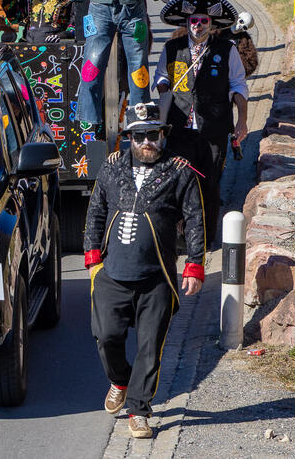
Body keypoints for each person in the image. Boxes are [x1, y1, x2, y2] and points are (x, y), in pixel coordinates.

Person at [84, 101, 205, 440]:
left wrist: (194, 264)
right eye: (139, 136)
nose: (146, 142)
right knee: (105, 335)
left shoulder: (179, 171)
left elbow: (195, 217)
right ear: (129, 139)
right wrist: (93, 257)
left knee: (150, 346)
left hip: (157, 277)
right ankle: (119, 380)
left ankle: (138, 410)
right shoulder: (111, 169)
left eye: (153, 135)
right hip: (112, 273)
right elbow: (95, 211)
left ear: (162, 136)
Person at [155, 0, 248, 244]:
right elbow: (161, 78)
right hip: (179, 128)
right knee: (178, 181)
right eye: (194, 20)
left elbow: (239, 86)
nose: (198, 25)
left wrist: (242, 121)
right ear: (187, 23)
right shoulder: (172, 48)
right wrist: (165, 97)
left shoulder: (226, 50)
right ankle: (179, 233)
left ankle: (204, 237)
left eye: (204, 21)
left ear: (212, 24)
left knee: (209, 181)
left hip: (214, 129)